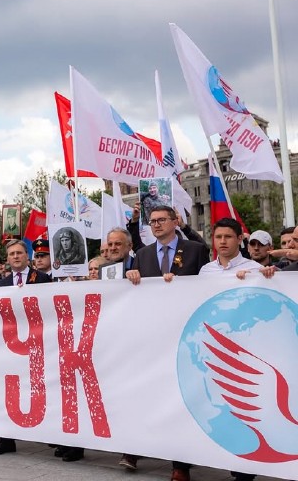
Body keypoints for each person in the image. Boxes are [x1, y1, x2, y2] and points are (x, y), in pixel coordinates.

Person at [122, 205, 209, 480]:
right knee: (150, 394)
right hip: (153, 337)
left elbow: (208, 284)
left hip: (186, 334)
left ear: (175, 222)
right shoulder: (144, 255)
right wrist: (131, 276)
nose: (157, 225)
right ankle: (137, 448)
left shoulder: (194, 250)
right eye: (153, 221)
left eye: (162, 220)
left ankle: (180, 465)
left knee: (180, 398)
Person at [198, 219, 274, 481]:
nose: (222, 242)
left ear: (239, 239)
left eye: (228, 237)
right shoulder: (206, 271)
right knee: (220, 406)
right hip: (213, 347)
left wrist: (265, 279)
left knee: (245, 407)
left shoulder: (254, 268)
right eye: (218, 237)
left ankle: (246, 467)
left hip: (245, 347)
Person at [0, 239, 50, 456]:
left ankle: (59, 439)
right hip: (12, 344)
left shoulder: (42, 278)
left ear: (27, 255)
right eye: (11, 254)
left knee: (45, 388)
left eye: (19, 253)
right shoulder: (2, 284)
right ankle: (6, 439)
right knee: (9, 389)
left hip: (38, 341)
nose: (15, 257)